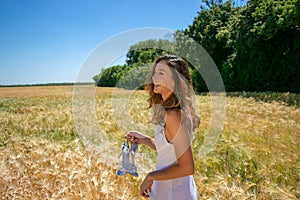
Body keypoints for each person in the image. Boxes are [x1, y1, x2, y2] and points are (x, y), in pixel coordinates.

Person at [126, 54, 200, 200]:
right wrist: (146, 140)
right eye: (155, 73)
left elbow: (187, 167)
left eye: (161, 73)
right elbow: (171, 153)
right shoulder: (173, 111)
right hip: (168, 189)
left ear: (176, 81)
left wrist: (151, 177)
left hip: (174, 193)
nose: (154, 78)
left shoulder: (174, 115)